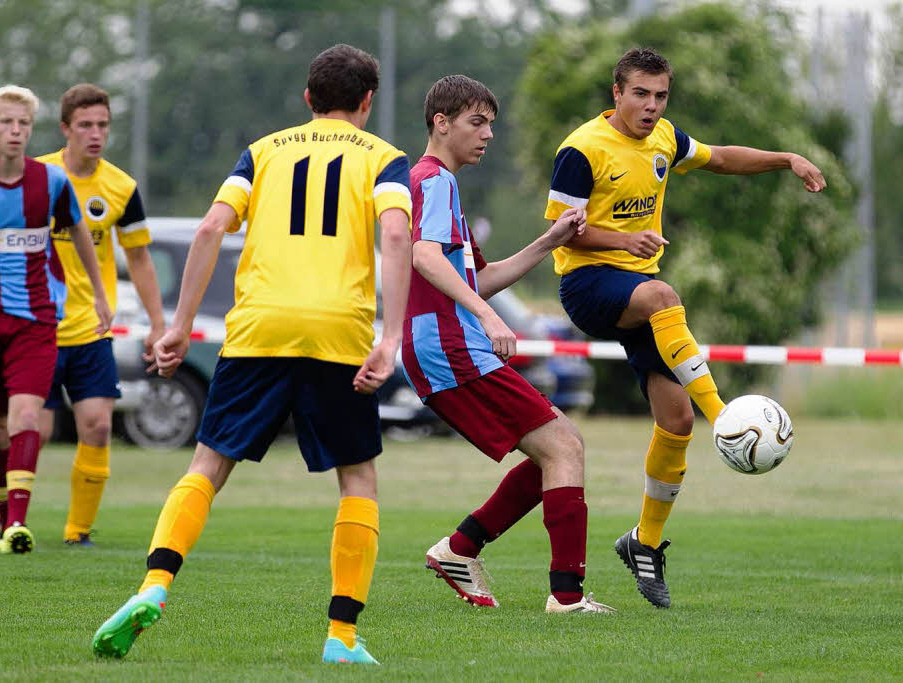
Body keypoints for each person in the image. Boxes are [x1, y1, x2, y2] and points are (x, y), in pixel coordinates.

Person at [91, 44, 412, 664]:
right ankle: (342, 638)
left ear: (307, 100)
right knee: (358, 477)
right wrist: (390, 337)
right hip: (337, 331)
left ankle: (153, 587)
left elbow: (211, 228)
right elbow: (395, 233)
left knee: (207, 465)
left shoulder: (264, 150)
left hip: (259, 326)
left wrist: (179, 326)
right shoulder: (386, 159)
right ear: (367, 101)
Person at [543, 48, 827, 608]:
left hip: (641, 297)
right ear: (616, 92)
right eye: (641, 94)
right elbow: (559, 229)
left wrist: (786, 158)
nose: (651, 106)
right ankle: (727, 417)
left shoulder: (664, 138)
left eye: (660, 95)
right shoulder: (582, 148)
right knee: (663, 294)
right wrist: (625, 241)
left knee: (675, 422)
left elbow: (720, 158)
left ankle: (643, 543)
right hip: (589, 284)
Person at [406, 75, 612, 615]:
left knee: (556, 452)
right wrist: (485, 316)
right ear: (441, 122)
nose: (488, 135)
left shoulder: (441, 185)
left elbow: (481, 276)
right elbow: (424, 258)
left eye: (491, 124)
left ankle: (460, 549)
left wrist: (550, 240)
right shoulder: (432, 181)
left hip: (444, 344)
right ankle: (565, 597)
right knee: (564, 446)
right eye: (477, 123)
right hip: (448, 344)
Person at [0, 85, 112, 554]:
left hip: (36, 318)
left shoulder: (50, 183)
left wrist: (99, 297)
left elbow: (78, 234)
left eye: (24, 124)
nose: (16, 131)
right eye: (7, 122)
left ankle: (15, 526)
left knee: (26, 415)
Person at [35, 83, 165, 547]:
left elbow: (141, 259)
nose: (95, 134)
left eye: (103, 125)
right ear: (65, 128)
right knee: (35, 430)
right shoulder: (37, 177)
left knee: (97, 426)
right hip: (36, 328)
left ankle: (78, 531)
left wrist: (158, 324)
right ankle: (8, 509)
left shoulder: (121, 188)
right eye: (85, 125)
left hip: (92, 329)